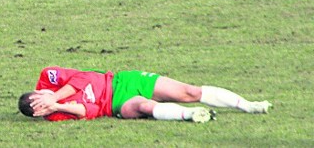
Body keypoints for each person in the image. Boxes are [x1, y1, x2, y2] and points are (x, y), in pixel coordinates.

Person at [19, 66, 272, 123]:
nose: (44, 105)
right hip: (116, 104)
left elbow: (87, 77)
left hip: (124, 80)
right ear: (39, 113)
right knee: (144, 108)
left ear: (38, 91)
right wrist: (59, 107)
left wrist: (55, 96)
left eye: (41, 99)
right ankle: (191, 115)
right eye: (40, 108)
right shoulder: (54, 116)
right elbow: (92, 111)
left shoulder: (48, 77)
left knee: (190, 91)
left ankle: (248, 106)